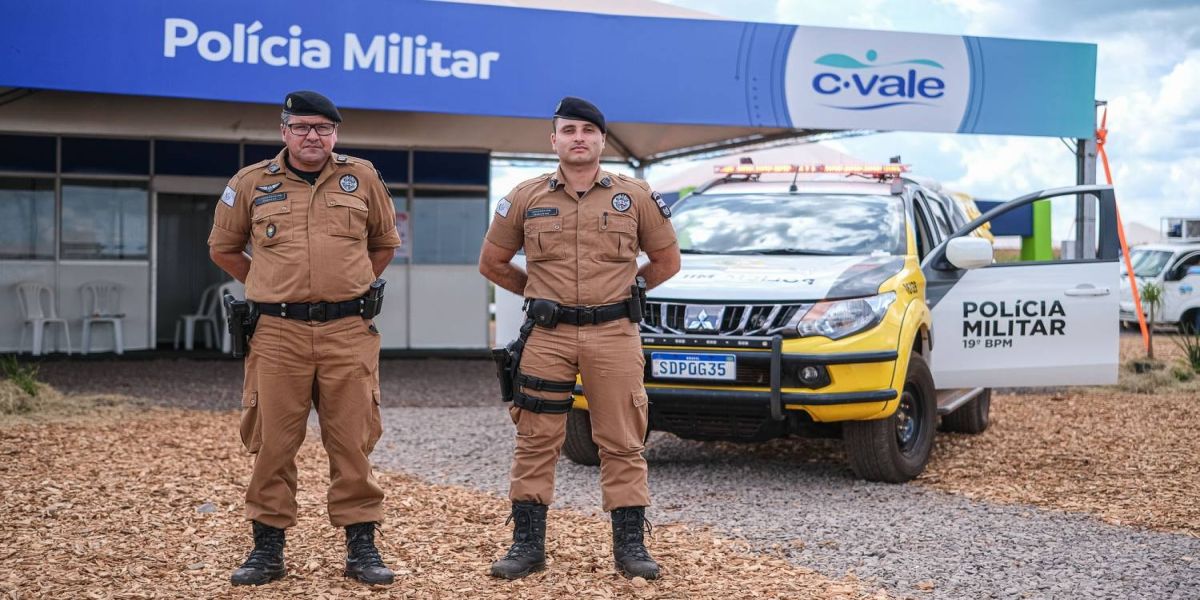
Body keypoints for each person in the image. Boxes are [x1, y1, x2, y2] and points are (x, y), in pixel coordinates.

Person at [478, 96, 682, 580]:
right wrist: (539, 294)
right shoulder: (525, 197)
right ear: (554, 140)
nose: (579, 138)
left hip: (614, 333)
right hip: (546, 337)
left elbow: (668, 262)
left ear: (602, 141)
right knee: (535, 439)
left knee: (622, 440)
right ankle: (527, 545)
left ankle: (630, 547)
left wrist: (626, 292)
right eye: (569, 130)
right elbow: (492, 262)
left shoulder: (634, 197)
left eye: (588, 131)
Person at [208, 91, 402, 586]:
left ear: (335, 133)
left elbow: (383, 244)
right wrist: (269, 285)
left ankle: (362, 548)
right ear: (284, 132)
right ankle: (266, 551)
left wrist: (349, 286)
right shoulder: (250, 183)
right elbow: (224, 248)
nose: (311, 136)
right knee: (273, 442)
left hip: (348, 331)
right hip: (277, 334)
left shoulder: (363, 178)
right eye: (301, 127)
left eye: (322, 127)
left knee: (353, 442)